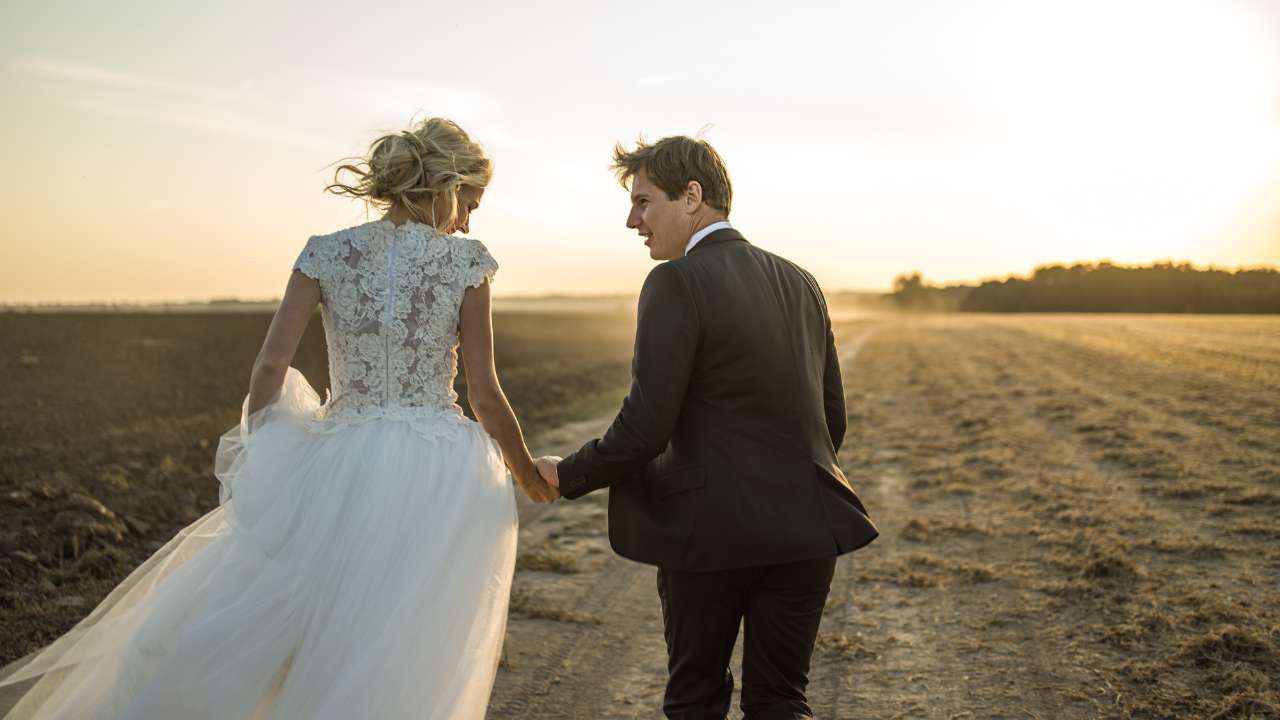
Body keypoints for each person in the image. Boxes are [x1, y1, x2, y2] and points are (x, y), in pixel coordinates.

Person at [0, 116, 557, 719]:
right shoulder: (467, 262)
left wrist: (271, 462)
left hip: (339, 456)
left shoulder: (325, 252)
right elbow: (484, 395)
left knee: (291, 617)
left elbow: (268, 368)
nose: (470, 220)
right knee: (402, 633)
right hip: (436, 470)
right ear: (447, 186)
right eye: (470, 202)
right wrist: (526, 473)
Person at [534, 135, 879, 720]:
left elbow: (646, 428)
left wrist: (564, 475)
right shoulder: (802, 281)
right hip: (805, 531)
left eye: (643, 202)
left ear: (692, 196)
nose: (631, 220)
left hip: (709, 538)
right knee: (781, 702)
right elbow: (831, 419)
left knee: (696, 702)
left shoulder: (675, 282)